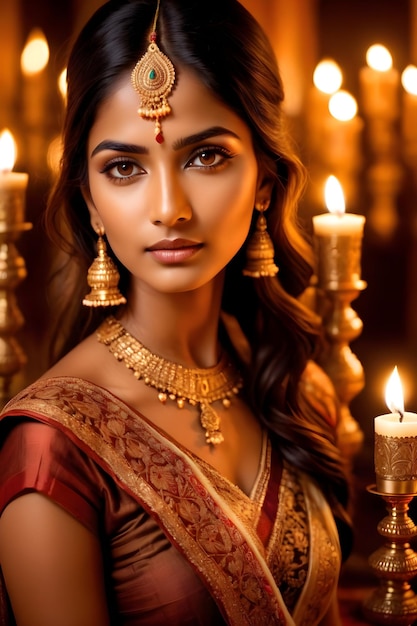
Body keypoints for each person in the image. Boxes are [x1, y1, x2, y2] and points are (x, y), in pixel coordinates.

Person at [0, 1, 352, 624]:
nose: (170, 207)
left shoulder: (297, 391)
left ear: (266, 180)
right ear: (91, 202)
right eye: (125, 168)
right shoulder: (52, 450)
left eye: (204, 157)